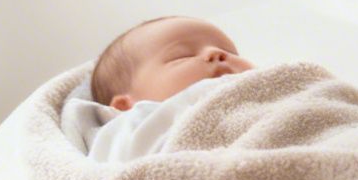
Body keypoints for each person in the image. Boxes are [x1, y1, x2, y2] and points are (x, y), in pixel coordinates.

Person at [83, 15, 255, 162]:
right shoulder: (133, 126)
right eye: (181, 56)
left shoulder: (264, 90)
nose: (215, 52)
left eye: (230, 52)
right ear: (125, 106)